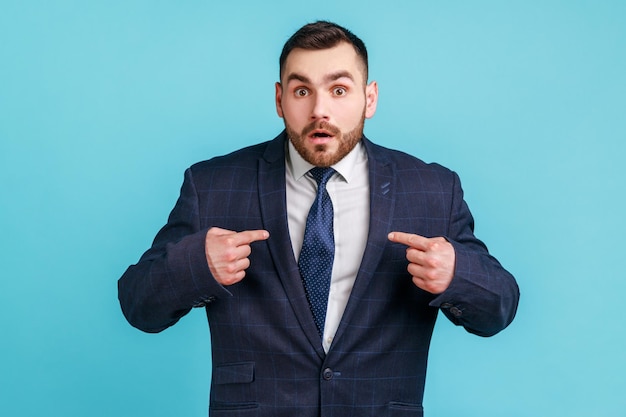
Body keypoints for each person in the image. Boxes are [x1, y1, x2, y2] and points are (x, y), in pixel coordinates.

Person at [118, 21, 519, 417]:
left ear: (370, 98)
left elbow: (499, 309)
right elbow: (138, 306)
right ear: (280, 100)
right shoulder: (213, 185)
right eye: (301, 90)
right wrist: (197, 265)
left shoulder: (432, 189)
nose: (319, 110)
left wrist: (455, 275)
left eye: (339, 90)